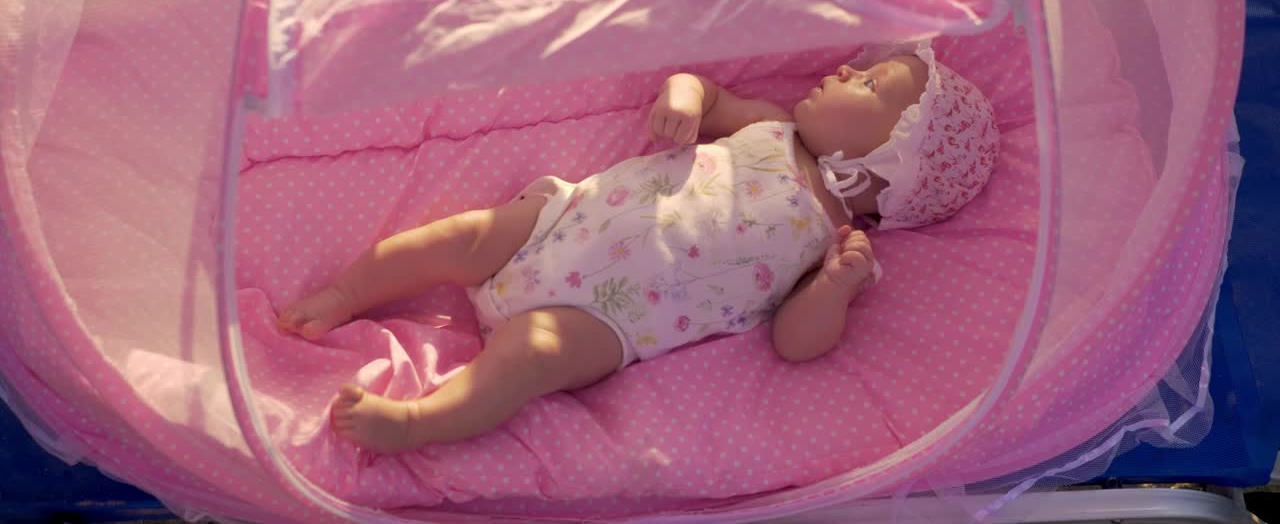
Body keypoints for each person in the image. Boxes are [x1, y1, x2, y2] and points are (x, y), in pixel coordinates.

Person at [277, 40, 999, 454]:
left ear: (887, 166)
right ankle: (344, 293)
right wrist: (684, 102)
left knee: (527, 359)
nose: (846, 69)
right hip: (567, 221)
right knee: (460, 236)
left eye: (868, 84)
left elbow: (797, 342)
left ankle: (417, 422)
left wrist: (836, 288)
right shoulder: (772, 128)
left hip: (611, 319)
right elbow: (705, 93)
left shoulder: (832, 244)